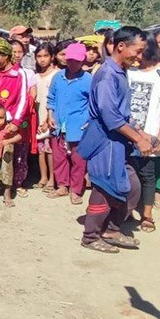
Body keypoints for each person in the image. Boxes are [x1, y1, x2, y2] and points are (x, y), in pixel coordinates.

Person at [76, 26, 153, 254]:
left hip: (118, 142)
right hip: (104, 142)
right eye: (137, 51)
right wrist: (138, 140)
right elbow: (110, 117)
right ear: (121, 46)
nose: (140, 57)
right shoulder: (108, 74)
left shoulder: (120, 71)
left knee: (132, 187)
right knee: (105, 188)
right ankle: (90, 236)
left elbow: (120, 113)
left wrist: (139, 132)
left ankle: (111, 228)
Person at [0, 37, 35, 206]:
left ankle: (7, 190)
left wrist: (16, 122)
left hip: (8, 124)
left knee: (7, 157)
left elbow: (24, 100)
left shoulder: (20, 74)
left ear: (5, 55)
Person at [127, 37, 160, 232]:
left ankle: (147, 215)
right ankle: (126, 211)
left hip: (150, 134)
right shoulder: (129, 72)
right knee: (128, 173)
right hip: (127, 133)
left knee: (148, 175)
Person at [47, 42, 92, 204]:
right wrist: (50, 115)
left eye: (77, 61)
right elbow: (51, 98)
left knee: (78, 160)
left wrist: (88, 122)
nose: (73, 64)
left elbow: (94, 104)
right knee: (59, 158)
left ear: (83, 61)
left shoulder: (88, 80)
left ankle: (76, 189)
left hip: (79, 127)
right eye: (70, 60)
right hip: (58, 125)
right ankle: (62, 185)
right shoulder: (58, 77)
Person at [33, 43, 58, 191]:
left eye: (45, 56)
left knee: (51, 150)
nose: (42, 59)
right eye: (39, 56)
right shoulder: (35, 76)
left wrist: (49, 119)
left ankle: (52, 179)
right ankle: (43, 177)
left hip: (50, 117)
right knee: (41, 149)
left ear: (52, 57)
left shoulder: (56, 74)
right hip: (38, 115)